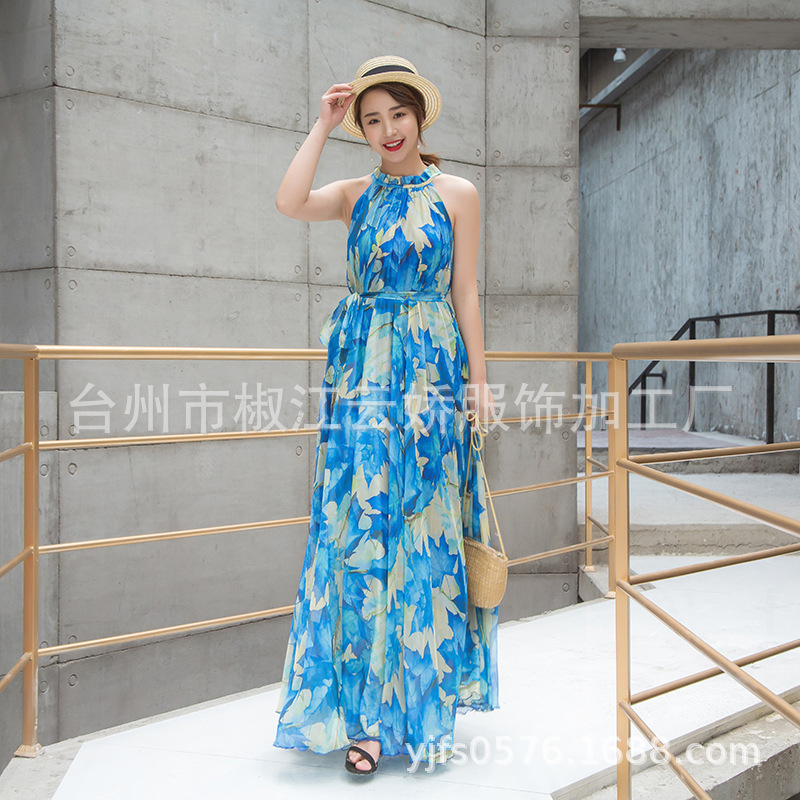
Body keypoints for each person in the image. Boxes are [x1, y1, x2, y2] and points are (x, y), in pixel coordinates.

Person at [272, 56, 499, 776]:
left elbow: (466, 292)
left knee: (425, 528)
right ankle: (366, 722)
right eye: (372, 120)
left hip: (431, 375)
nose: (388, 129)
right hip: (363, 378)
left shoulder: (458, 193)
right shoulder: (355, 194)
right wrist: (322, 123)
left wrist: (480, 381)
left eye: (397, 114)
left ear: (419, 117)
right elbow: (289, 200)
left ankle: (423, 710)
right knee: (362, 530)